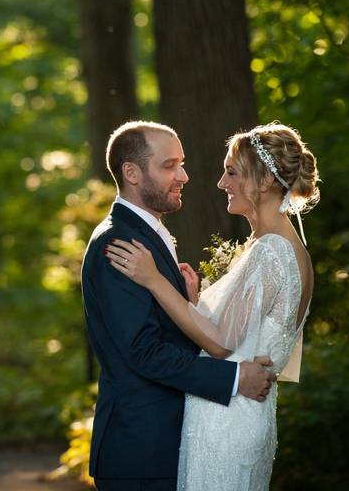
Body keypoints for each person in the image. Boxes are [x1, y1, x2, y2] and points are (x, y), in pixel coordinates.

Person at [105, 122, 320, 491]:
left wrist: (153, 279)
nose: (222, 183)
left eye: (232, 172)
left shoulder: (272, 252)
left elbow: (221, 344)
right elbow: (245, 337)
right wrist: (194, 302)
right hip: (240, 410)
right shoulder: (274, 245)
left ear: (265, 180)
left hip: (227, 420)